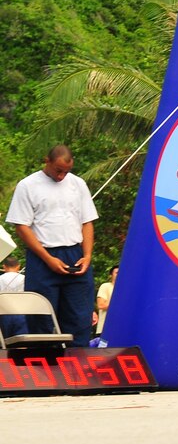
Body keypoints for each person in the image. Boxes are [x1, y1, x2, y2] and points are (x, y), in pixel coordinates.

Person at [6, 145, 98, 346]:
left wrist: (87, 255)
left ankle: (77, 369)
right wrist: (47, 259)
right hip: (43, 256)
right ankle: (44, 369)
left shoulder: (78, 184)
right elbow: (21, 226)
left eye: (66, 171)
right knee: (41, 318)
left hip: (75, 254)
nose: (61, 176)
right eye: (58, 170)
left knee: (79, 318)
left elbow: (87, 221)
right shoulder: (28, 185)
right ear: (46, 160)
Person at [0, 255, 26, 340]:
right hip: (22, 313)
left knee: (5, 341)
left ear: (4, 267)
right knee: (21, 340)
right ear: (19, 266)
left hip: (4, 314)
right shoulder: (24, 278)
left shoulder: (0, 278)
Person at [94, 265, 118, 335]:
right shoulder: (105, 286)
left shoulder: (126, 289)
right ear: (111, 275)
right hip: (105, 328)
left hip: (120, 328)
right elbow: (101, 305)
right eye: (117, 273)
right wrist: (118, 306)